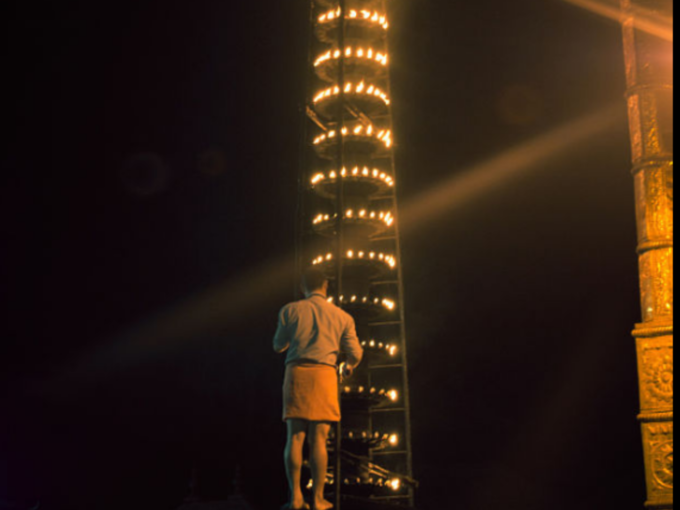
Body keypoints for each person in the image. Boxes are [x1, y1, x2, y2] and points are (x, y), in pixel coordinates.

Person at [273, 267, 363, 510]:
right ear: (325, 287)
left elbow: (278, 345)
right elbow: (355, 353)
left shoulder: (290, 310)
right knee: (319, 440)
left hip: (297, 373)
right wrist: (347, 366)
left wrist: (296, 336)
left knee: (294, 437)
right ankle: (319, 498)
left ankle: (295, 498)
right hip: (325, 375)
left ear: (303, 287)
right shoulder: (342, 316)